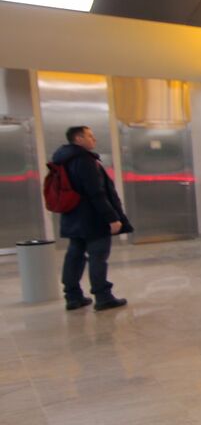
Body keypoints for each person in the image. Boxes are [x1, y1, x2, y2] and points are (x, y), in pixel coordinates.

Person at [52, 125, 132, 311]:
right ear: (78, 139)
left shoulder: (62, 159)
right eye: (90, 136)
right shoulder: (84, 160)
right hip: (93, 218)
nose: (94, 139)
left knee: (74, 255)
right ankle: (103, 296)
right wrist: (111, 217)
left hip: (72, 216)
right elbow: (96, 192)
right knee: (98, 256)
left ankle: (72, 296)